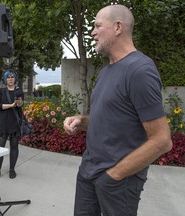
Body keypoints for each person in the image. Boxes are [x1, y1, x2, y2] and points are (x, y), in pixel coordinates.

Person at [63, 4, 172, 216]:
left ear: (118, 27)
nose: (92, 32)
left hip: (118, 181)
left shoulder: (140, 70)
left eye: (97, 26)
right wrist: (81, 121)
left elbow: (162, 140)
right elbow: (110, 118)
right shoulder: (106, 72)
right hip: (88, 172)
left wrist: (115, 174)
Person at [0, 70, 24, 179]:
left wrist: (19, 102)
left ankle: (12, 169)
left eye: (12, 77)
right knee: (0, 148)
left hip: (15, 123)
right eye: (8, 77)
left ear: (15, 79)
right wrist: (11, 105)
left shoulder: (19, 91)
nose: (10, 79)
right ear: (5, 79)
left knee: (14, 147)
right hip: (3, 123)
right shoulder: (1, 91)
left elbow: (20, 104)